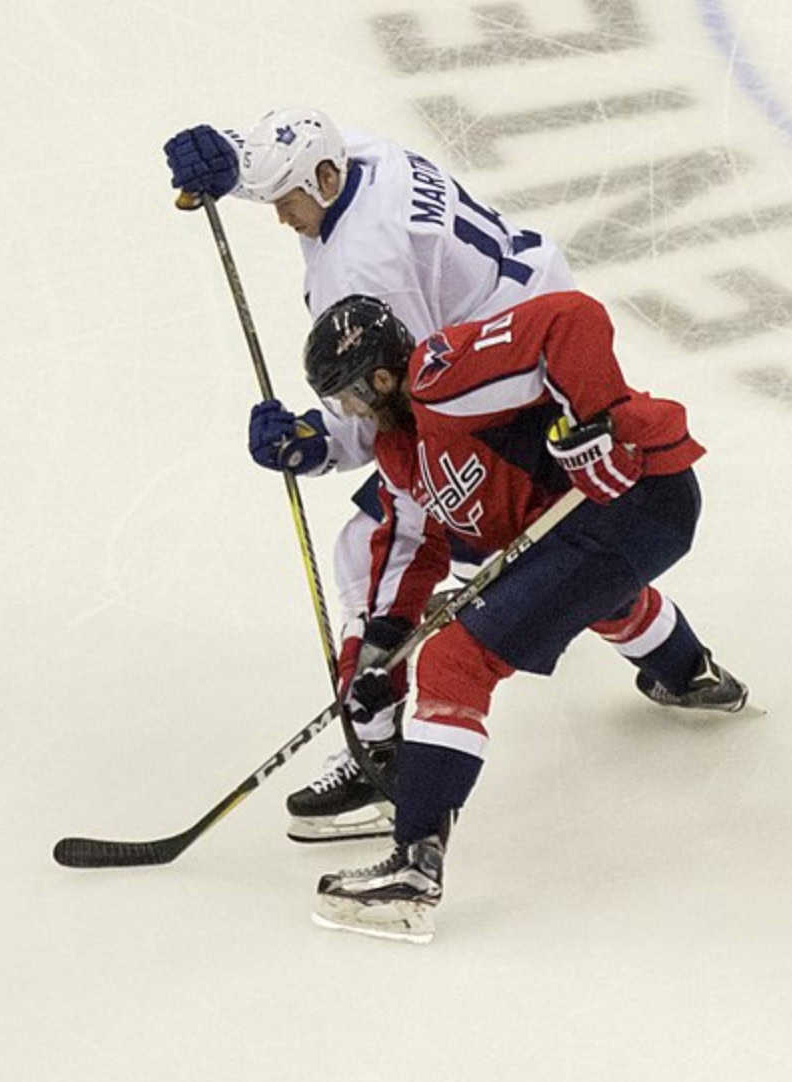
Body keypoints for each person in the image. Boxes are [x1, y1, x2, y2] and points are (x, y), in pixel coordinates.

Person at [162, 108, 580, 839]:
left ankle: (378, 749)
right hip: (534, 334)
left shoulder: (364, 267)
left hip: (498, 385)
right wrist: (232, 159)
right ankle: (679, 661)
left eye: (287, 202)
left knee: (380, 544)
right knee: (564, 539)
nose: (284, 220)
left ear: (325, 181)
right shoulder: (364, 161)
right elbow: (310, 143)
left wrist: (312, 443)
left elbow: (394, 401)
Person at [297, 293, 747, 944]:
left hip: (631, 493)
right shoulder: (401, 454)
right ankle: (688, 673)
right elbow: (407, 548)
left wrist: (595, 420)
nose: (351, 413)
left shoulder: (439, 378)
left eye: (350, 396)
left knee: (455, 658)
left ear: (382, 376)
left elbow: (570, 318)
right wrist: (379, 654)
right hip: (590, 529)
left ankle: (413, 871)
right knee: (593, 598)